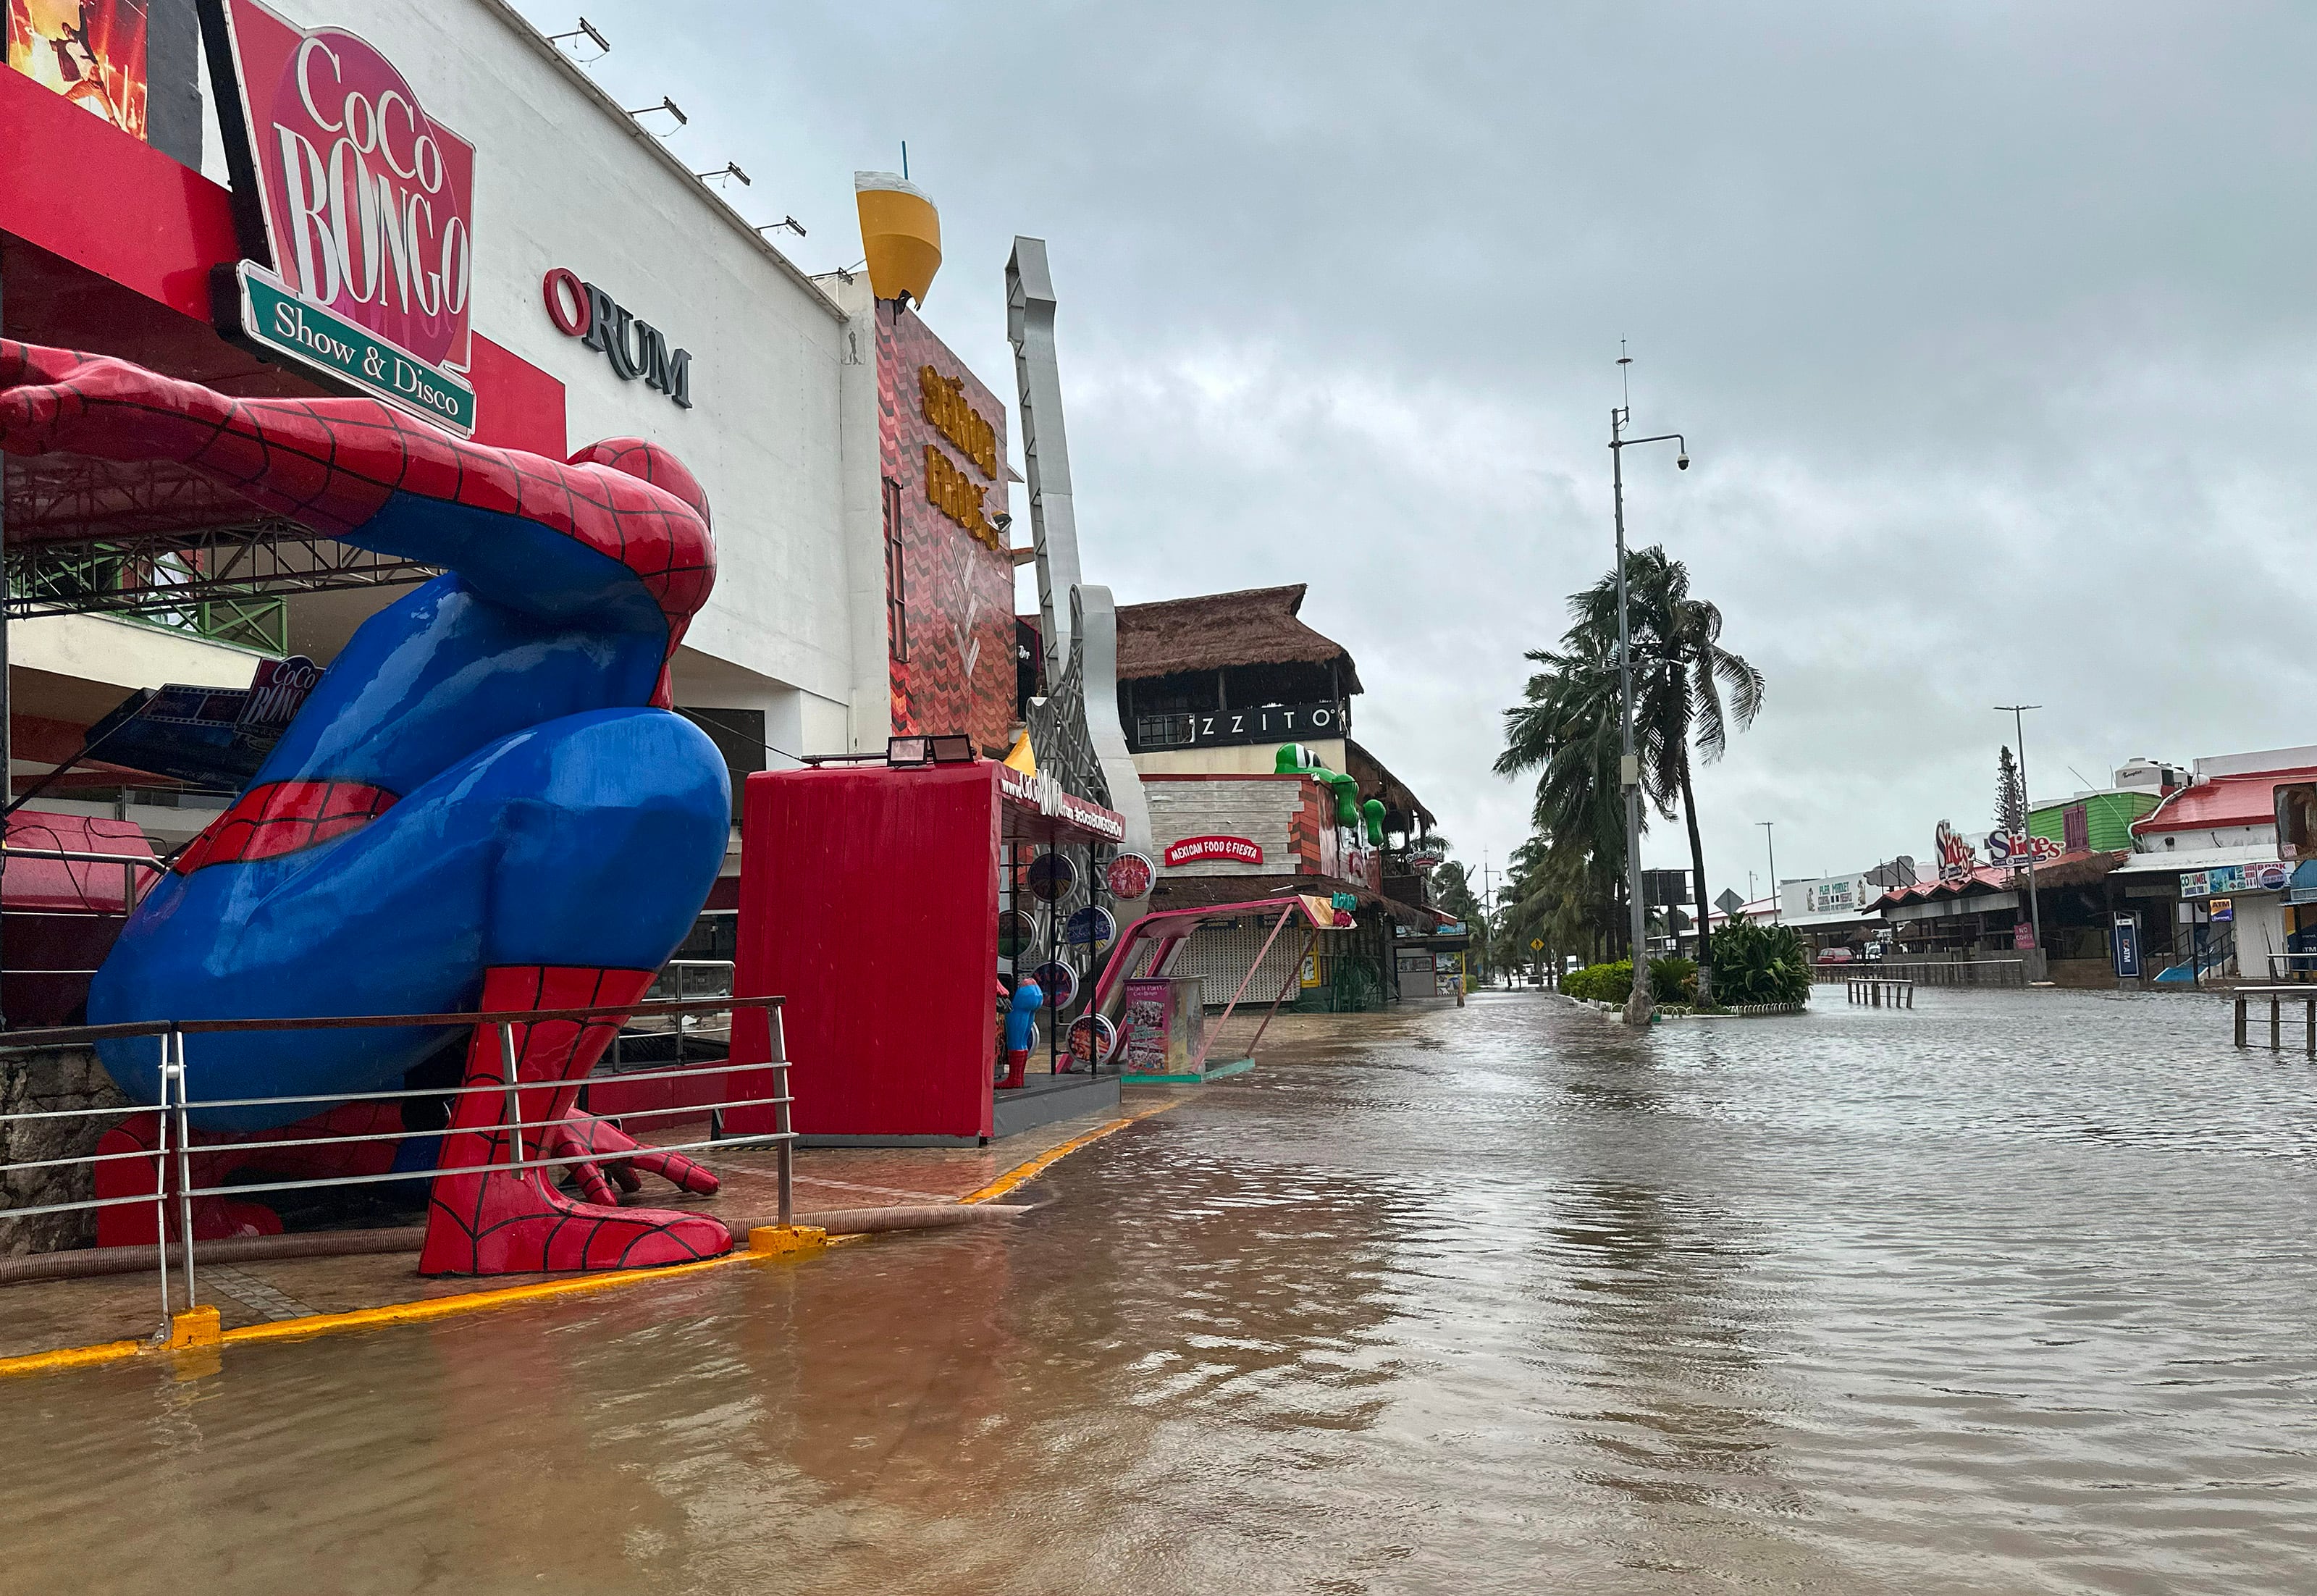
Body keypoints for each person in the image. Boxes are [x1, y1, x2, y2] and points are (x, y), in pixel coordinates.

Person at [1001, 978, 1044, 1090]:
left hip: (1024, 996)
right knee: (1022, 1041)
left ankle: (1014, 1079)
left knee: (1015, 1042)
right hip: (1036, 993)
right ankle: (1018, 1078)